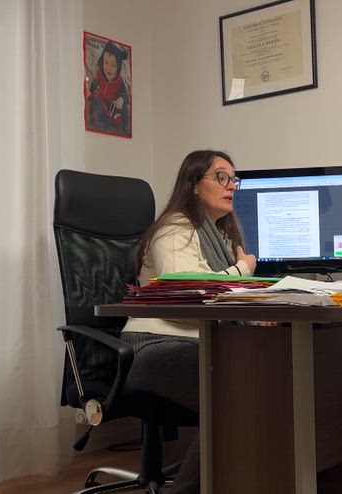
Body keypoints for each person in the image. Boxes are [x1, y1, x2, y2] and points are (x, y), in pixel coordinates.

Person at [121, 149, 255, 494]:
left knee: (263, 378)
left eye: (233, 180)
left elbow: (218, 296)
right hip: (153, 345)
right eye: (221, 177)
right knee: (235, 391)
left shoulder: (220, 237)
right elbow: (183, 296)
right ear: (194, 184)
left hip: (194, 342)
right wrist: (242, 271)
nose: (231, 186)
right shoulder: (175, 228)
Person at [87, 42, 131, 136]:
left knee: (126, 109)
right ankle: (103, 124)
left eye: (113, 65)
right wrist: (90, 91)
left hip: (115, 107)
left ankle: (126, 128)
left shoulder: (119, 82)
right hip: (103, 103)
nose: (108, 68)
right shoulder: (99, 75)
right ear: (102, 62)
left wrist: (122, 99)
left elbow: (125, 95)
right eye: (106, 63)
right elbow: (94, 84)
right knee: (96, 100)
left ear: (118, 68)